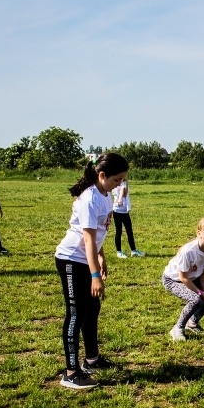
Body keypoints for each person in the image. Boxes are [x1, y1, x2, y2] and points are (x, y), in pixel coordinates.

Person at [54, 153, 129, 389]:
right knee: (76, 313)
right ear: (102, 175)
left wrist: (101, 257)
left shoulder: (105, 194)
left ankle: (92, 360)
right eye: (117, 180)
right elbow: (87, 239)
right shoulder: (89, 199)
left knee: (92, 307)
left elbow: (99, 234)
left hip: (87, 259)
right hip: (71, 261)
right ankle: (71, 373)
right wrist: (95, 275)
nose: (120, 184)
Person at [163, 217, 204, 342]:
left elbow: (203, 273)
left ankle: (192, 323)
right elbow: (183, 278)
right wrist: (200, 293)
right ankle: (178, 328)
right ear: (199, 233)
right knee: (196, 300)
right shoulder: (188, 252)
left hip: (193, 277)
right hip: (174, 280)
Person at [112, 178, 145, 258]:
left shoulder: (124, 183)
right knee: (118, 231)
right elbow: (123, 192)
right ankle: (119, 252)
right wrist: (120, 199)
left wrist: (126, 182)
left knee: (129, 231)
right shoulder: (118, 183)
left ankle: (133, 251)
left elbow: (125, 193)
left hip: (125, 211)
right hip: (117, 211)